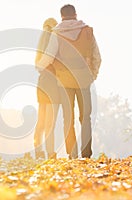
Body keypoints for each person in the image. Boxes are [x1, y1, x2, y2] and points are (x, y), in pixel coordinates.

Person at [38, 4, 102, 159]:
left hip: (64, 80)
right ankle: (86, 154)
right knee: (85, 117)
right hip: (84, 80)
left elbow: (49, 56)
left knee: (68, 118)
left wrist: (39, 67)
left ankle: (72, 154)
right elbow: (97, 57)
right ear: (75, 14)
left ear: (61, 16)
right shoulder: (87, 31)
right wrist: (92, 75)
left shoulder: (57, 33)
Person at [34, 18, 60, 160]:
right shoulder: (56, 40)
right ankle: (50, 153)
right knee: (50, 121)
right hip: (54, 83)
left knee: (41, 119)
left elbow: (37, 65)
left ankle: (38, 151)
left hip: (42, 82)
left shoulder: (41, 42)